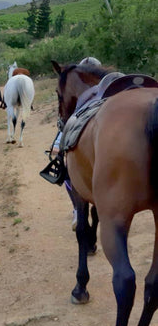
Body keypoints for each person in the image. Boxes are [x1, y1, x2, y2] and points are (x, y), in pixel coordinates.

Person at [49, 56, 101, 229]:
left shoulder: (79, 94)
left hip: (78, 127)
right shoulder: (109, 89)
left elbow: (70, 121)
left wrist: (57, 145)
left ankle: (77, 210)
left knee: (66, 169)